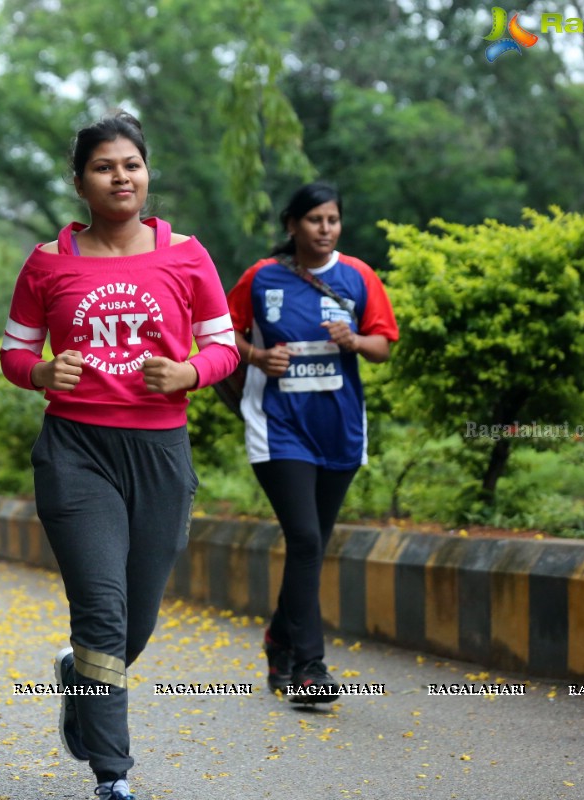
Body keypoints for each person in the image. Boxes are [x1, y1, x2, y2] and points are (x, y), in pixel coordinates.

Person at [0, 111, 239, 800]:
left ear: (146, 172)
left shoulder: (186, 255)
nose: (120, 176)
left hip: (161, 451)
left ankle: (82, 674)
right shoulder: (48, 262)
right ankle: (114, 775)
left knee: (136, 620)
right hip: (76, 452)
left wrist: (191, 373)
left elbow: (223, 345)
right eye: (103, 167)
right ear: (80, 183)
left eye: (130, 164)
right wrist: (41, 374)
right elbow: (15, 353)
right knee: (102, 609)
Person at [226, 181, 398, 703]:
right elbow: (219, 332)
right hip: (278, 426)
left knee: (312, 545)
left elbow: (384, 346)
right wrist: (257, 357)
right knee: (304, 539)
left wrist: (355, 341)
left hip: (339, 428)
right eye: (314, 220)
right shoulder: (262, 277)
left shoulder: (359, 276)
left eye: (333, 220)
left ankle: (280, 638)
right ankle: (309, 666)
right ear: (292, 226)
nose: (325, 229)